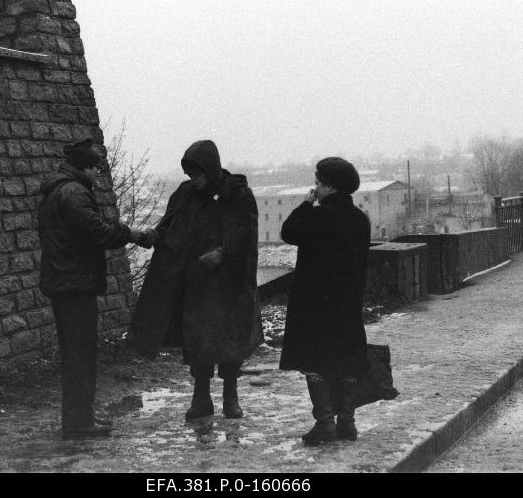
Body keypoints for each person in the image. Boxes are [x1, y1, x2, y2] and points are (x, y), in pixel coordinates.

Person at [129, 140, 263, 421]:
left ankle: (230, 397)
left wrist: (223, 252)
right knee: (198, 342)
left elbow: (247, 233)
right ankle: (201, 398)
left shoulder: (235, 193)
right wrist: (155, 235)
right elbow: (170, 223)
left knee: (229, 341)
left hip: (228, 285)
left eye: (199, 174)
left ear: (211, 169)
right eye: (191, 174)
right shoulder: (185, 194)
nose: (195, 180)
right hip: (196, 283)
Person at [37, 138, 149, 440]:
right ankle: (77, 423)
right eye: (97, 169)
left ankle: (81, 414)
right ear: (86, 166)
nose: (99, 175)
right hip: (74, 284)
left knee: (78, 353)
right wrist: (131, 233)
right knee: (80, 355)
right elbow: (96, 232)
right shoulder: (73, 192)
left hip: (66, 281)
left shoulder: (59, 189)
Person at [279, 157, 371, 446]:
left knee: (316, 363)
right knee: (345, 361)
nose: (315, 188)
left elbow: (288, 232)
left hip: (315, 304)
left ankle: (325, 424)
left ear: (330, 186)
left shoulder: (317, 216)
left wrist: (306, 204)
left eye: (318, 183)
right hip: (347, 302)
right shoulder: (360, 219)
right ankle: (347, 423)